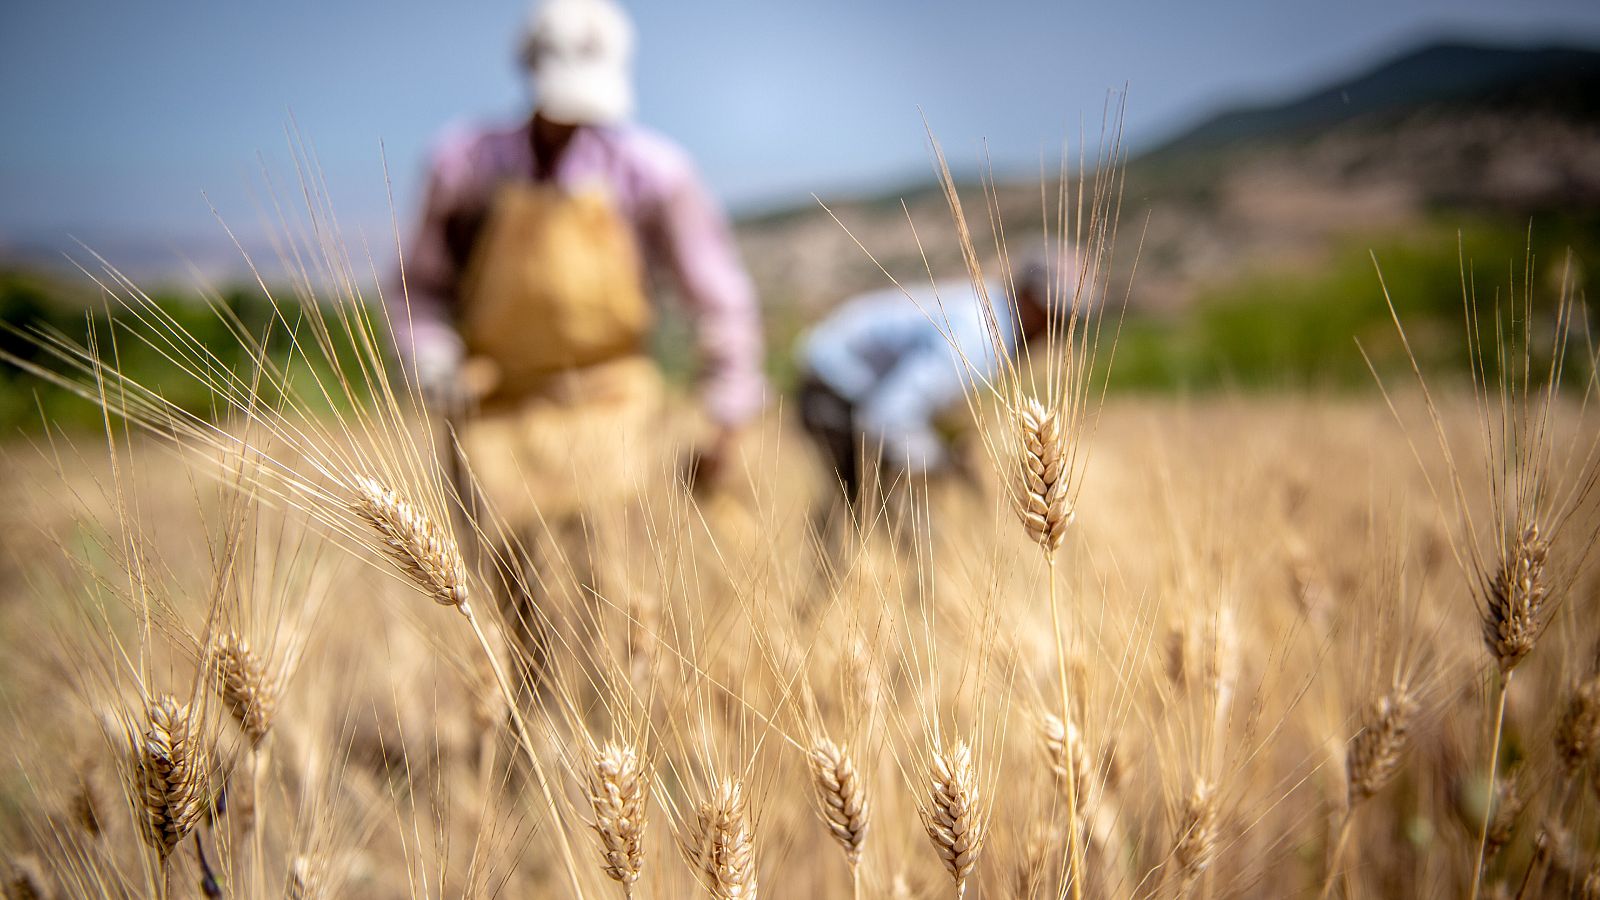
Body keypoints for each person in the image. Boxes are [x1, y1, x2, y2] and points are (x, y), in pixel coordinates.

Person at [390, 0, 764, 679]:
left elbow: (721, 299)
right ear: (529, 73)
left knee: (612, 598)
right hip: (495, 413)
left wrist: (728, 413)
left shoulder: (654, 174)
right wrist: (429, 352)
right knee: (519, 610)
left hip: (611, 406)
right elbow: (418, 286)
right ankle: (534, 747)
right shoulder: (464, 165)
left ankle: (610, 741)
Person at [795, 248, 1077, 519]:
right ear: (1028, 298)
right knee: (895, 523)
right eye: (1056, 315)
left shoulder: (992, 311)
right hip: (833, 387)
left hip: (843, 377)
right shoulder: (977, 341)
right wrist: (938, 462)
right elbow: (886, 415)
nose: (1059, 330)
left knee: (866, 508)